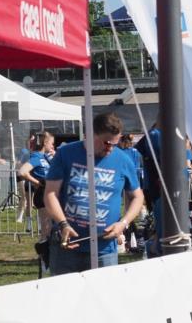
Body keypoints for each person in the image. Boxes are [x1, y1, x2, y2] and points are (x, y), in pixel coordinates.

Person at [44, 113, 143, 274]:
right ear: (91, 134)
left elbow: (137, 196)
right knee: (66, 296)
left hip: (104, 249)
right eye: (106, 143)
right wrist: (63, 224)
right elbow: (50, 193)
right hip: (67, 246)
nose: (110, 148)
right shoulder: (66, 154)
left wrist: (123, 223)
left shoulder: (123, 160)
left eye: (115, 144)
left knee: (103, 298)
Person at [19, 132, 56, 239]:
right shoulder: (36, 157)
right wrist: (37, 183)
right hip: (42, 195)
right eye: (52, 143)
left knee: (50, 227)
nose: (53, 146)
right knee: (46, 229)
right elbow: (22, 172)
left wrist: (55, 156)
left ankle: (48, 252)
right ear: (45, 142)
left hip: (50, 194)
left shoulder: (47, 157)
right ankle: (43, 254)